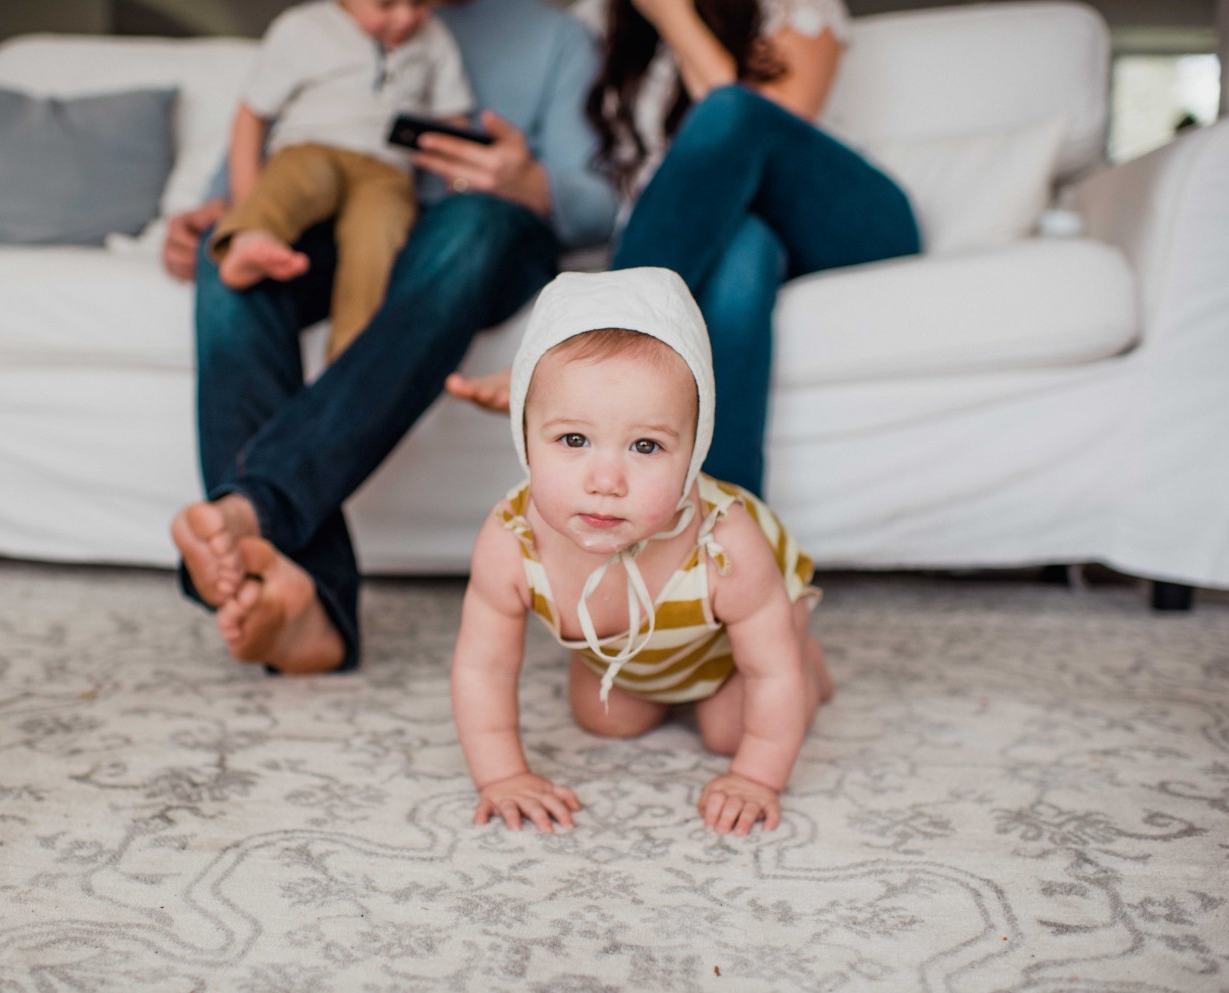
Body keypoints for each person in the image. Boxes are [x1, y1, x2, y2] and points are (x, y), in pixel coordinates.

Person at [164, 0, 620, 674]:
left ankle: (257, 506)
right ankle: (297, 599)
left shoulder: (554, 38)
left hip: (484, 235)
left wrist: (525, 180)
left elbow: (603, 201)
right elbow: (273, 147)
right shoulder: (325, 27)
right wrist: (211, 215)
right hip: (349, 222)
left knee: (469, 220)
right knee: (228, 263)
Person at [446, 0, 921, 496]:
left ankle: (578, 333)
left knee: (732, 111)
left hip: (841, 219)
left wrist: (674, 15)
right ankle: (725, 540)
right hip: (723, 233)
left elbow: (748, 133)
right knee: (741, 252)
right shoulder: (597, 20)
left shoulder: (796, 7)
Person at [451, 268, 830, 836]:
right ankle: (648, 680)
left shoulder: (725, 544)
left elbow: (769, 673)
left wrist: (755, 778)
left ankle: (813, 662)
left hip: (725, 654)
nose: (606, 480)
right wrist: (502, 776)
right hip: (630, 658)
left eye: (646, 446)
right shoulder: (512, 538)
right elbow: (483, 668)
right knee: (606, 719)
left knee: (733, 729)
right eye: (573, 440)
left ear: (695, 449)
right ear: (524, 436)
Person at [209, 0, 474, 360]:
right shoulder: (303, 28)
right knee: (291, 182)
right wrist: (245, 199)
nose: (406, 17)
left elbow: (453, 120)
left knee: (382, 233)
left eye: (419, 3)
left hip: (387, 170)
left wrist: (462, 177)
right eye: (386, 5)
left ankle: (349, 356)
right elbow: (252, 116)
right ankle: (250, 237)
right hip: (313, 148)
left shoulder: (435, 39)